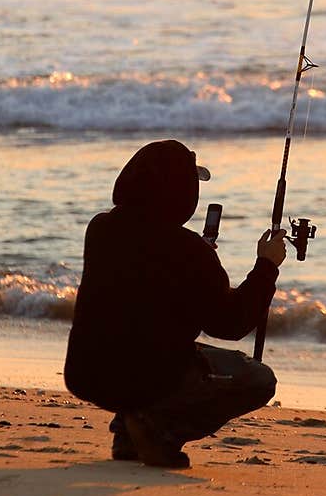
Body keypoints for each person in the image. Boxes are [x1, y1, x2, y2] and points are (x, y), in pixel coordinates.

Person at [64, 138, 286, 467]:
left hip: (88, 374)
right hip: (146, 378)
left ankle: (129, 430)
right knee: (258, 378)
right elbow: (230, 323)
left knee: (142, 346)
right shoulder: (189, 251)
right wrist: (266, 267)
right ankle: (160, 429)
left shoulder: (101, 229)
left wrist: (197, 266)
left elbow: (145, 289)